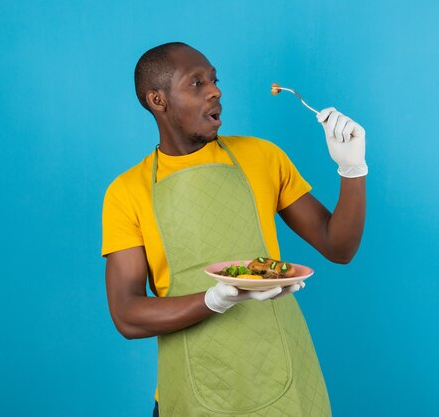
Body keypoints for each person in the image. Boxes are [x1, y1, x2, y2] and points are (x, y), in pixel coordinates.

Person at [102, 42, 367, 417]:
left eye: (214, 79)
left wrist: (352, 170)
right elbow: (127, 315)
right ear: (158, 101)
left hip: (283, 373)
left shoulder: (262, 157)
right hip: (193, 386)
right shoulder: (127, 192)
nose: (215, 90)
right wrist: (215, 299)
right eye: (196, 83)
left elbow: (338, 247)